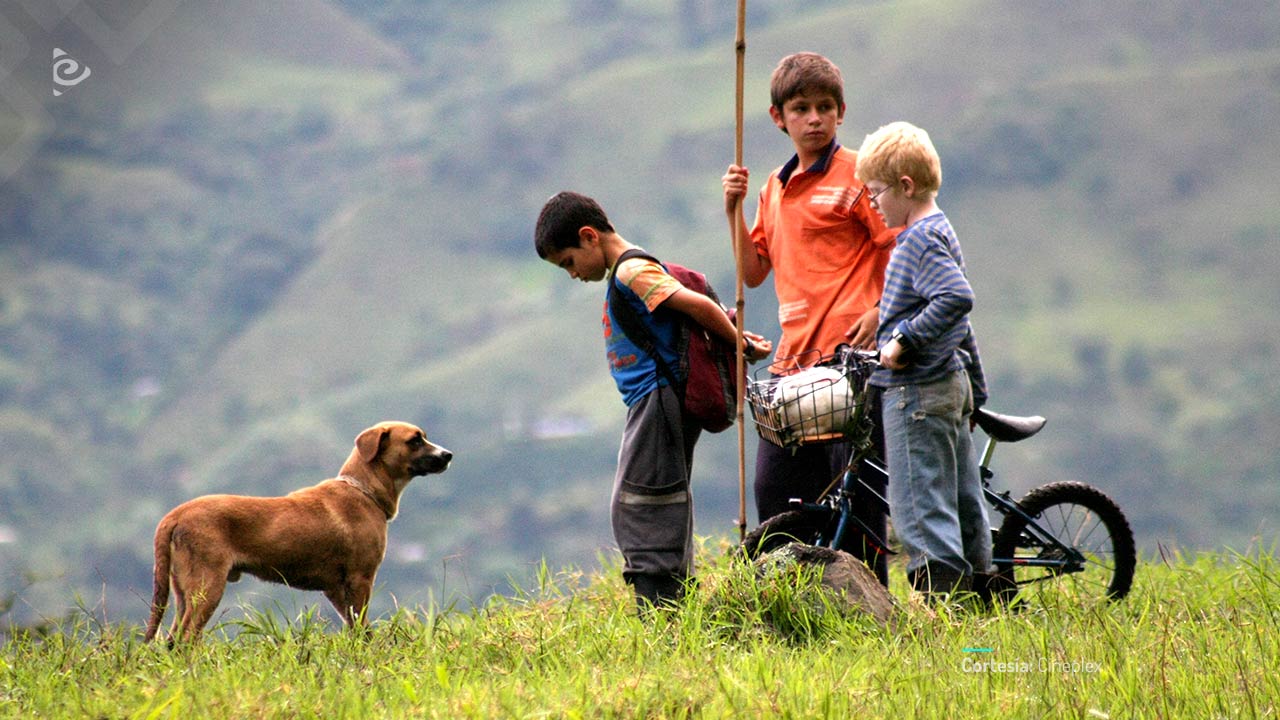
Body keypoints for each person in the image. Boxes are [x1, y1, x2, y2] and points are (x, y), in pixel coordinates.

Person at [534, 191, 772, 611]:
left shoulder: (631, 272)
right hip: (652, 401)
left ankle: (663, 609)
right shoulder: (629, 272)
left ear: (589, 237)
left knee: (642, 502)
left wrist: (737, 345)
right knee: (656, 494)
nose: (571, 273)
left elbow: (695, 304)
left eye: (568, 261)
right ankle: (673, 598)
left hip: (659, 399)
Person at [721, 52, 896, 585]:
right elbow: (753, 273)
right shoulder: (773, 187)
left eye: (825, 107)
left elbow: (899, 244)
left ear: (841, 112)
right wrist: (732, 210)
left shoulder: (862, 174)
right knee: (777, 495)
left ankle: (873, 609)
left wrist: (879, 309)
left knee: (859, 496)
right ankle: (787, 602)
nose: (814, 118)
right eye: (801, 108)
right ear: (779, 118)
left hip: (851, 362)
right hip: (793, 366)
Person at [854, 121, 992, 598]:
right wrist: (975, 386)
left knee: (919, 504)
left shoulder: (915, 241)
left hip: (915, 391)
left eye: (874, 194)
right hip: (948, 384)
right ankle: (981, 597)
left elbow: (955, 298)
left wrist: (902, 342)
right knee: (962, 499)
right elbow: (959, 326)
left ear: (905, 187)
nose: (872, 204)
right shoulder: (941, 228)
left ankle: (942, 610)